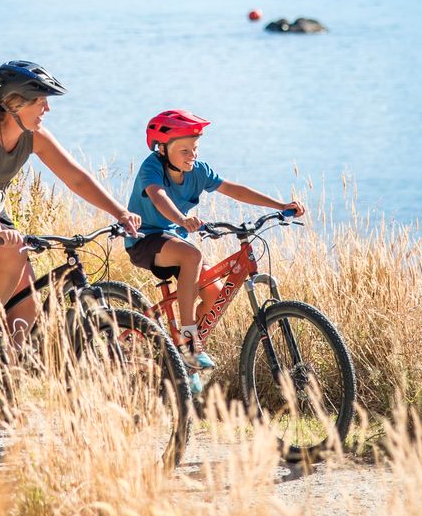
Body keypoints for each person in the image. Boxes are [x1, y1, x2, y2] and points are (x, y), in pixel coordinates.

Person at [0, 60, 142, 342]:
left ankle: (7, 368)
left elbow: (76, 178)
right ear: (14, 104)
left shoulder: (34, 136)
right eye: (41, 101)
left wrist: (119, 212)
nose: (47, 109)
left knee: (27, 299)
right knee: (13, 252)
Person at [124, 110, 303, 369]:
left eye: (195, 148)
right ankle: (189, 342)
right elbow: (158, 196)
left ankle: (181, 364)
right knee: (192, 255)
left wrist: (279, 204)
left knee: (215, 295)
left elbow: (232, 189)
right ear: (162, 149)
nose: (192, 155)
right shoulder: (151, 167)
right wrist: (182, 219)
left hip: (173, 239)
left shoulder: (198, 171)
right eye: (184, 150)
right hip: (143, 239)